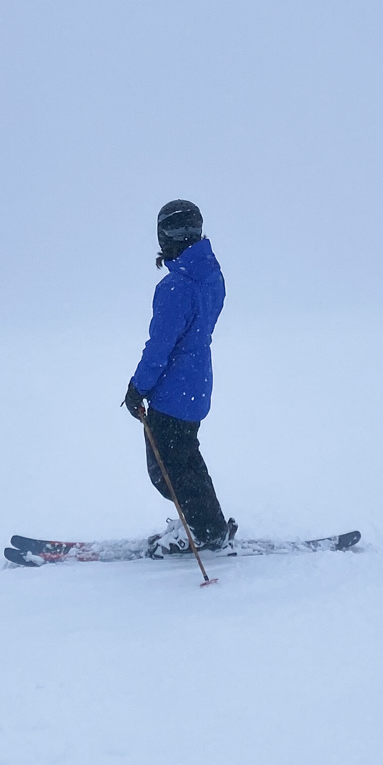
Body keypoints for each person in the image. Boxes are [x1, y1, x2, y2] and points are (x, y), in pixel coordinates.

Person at [123, 200, 230, 553]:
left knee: (167, 471)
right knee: (185, 460)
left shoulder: (175, 287)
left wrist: (138, 387)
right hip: (197, 384)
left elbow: (160, 347)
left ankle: (205, 531)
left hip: (173, 390)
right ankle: (207, 524)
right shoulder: (210, 274)